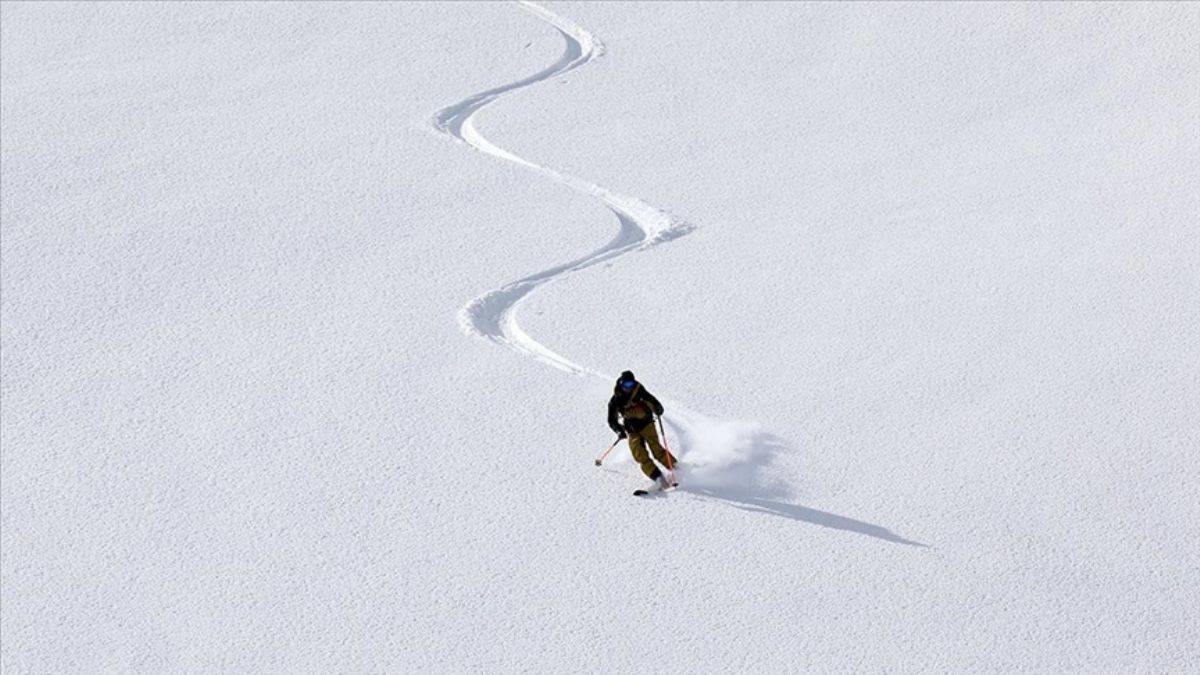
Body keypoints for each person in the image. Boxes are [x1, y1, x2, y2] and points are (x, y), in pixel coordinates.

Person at [607, 371, 677, 489]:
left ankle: (677, 469)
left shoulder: (640, 391)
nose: (628, 388)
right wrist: (619, 430)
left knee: (657, 450)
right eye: (626, 385)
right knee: (639, 454)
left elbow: (655, 403)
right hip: (631, 428)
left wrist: (658, 409)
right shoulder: (615, 400)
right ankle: (658, 478)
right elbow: (611, 420)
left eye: (631, 384)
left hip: (647, 424)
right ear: (621, 384)